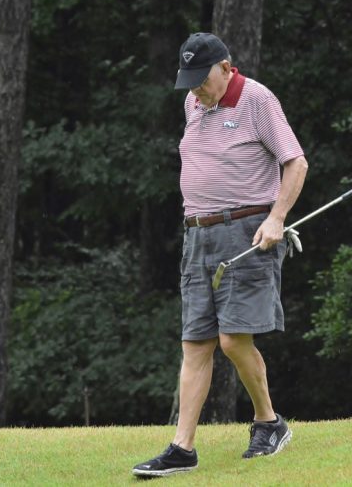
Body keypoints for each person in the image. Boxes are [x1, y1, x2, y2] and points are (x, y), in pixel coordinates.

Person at [132, 32, 308, 477]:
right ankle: (182, 448)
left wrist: (276, 218)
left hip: (246, 233)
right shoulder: (193, 103)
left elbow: (296, 162)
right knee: (195, 343)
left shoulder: (257, 99)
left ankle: (269, 422)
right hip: (197, 236)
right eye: (189, 80)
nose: (195, 88)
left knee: (232, 340)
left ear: (226, 68)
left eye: (202, 79)